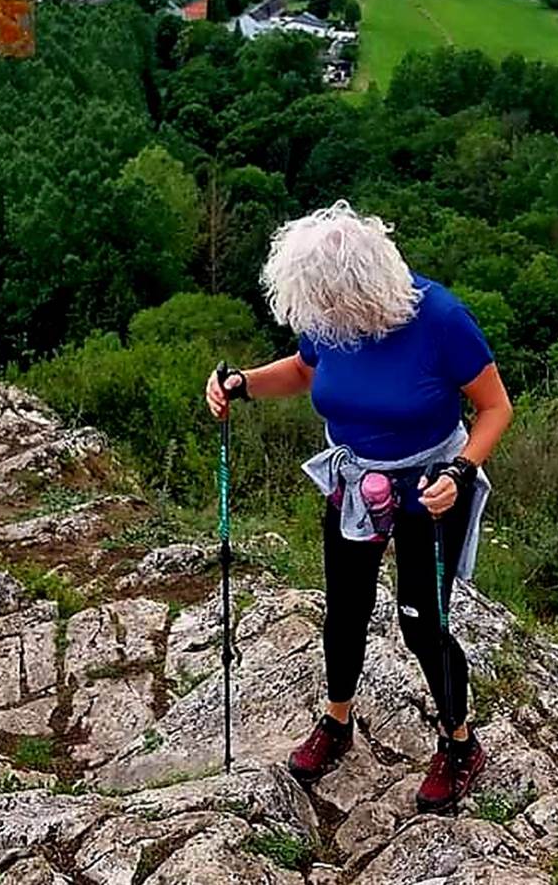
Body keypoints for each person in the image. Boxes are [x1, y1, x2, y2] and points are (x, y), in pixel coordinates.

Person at [204, 202, 513, 812]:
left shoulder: (442, 319)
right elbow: (301, 370)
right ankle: (337, 720)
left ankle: (459, 745)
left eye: (330, 303)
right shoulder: (330, 316)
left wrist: (462, 469)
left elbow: (496, 408)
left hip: (432, 485)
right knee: (345, 609)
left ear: (366, 284)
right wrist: (241, 383)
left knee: (424, 622)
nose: (323, 316)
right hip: (355, 484)